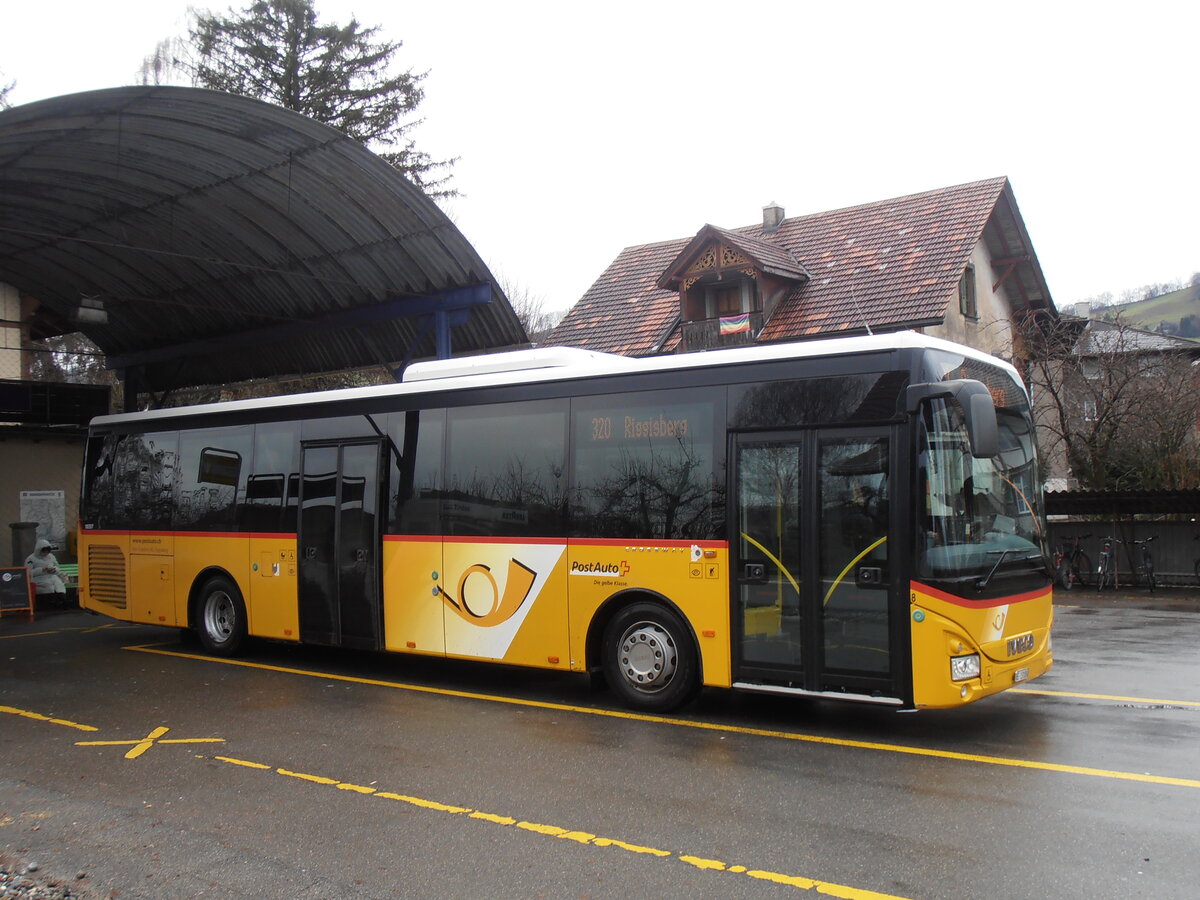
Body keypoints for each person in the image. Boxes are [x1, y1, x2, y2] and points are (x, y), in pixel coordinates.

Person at [25, 539, 67, 609]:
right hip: (38, 578)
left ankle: (62, 602)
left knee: (59, 584)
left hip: (52, 576)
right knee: (48, 586)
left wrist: (54, 569)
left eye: (47, 552)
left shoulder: (51, 557)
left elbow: (57, 566)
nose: (45, 554)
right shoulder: (30, 559)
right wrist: (42, 570)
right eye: (44, 552)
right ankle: (49, 604)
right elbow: (28, 572)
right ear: (39, 550)